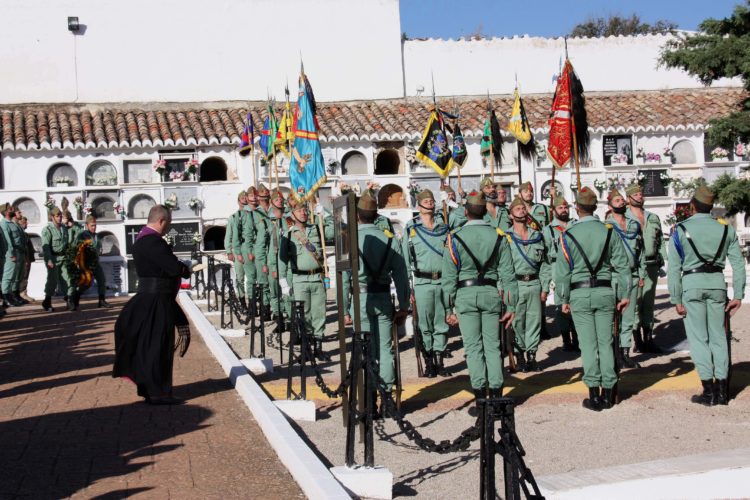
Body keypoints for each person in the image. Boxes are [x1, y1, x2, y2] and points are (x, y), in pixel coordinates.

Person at [667, 186, 745, 406]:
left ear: (692, 206)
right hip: (717, 284)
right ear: (711, 207)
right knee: (719, 337)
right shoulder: (725, 229)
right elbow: (738, 264)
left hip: (692, 285)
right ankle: (722, 392)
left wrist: (676, 298)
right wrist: (738, 293)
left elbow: (674, 268)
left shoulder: (680, 230)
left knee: (699, 339)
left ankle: (708, 391)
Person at [556, 187, 631, 411]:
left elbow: (562, 272)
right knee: (606, 343)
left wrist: (563, 298)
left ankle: (593, 394)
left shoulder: (568, 234)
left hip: (579, 293)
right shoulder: (609, 231)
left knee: (588, 345)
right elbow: (622, 265)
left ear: (576, 208)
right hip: (605, 291)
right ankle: (608, 393)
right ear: (595, 206)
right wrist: (625, 294)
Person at [442, 191, 517, 411]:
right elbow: (508, 275)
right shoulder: (499, 235)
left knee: (473, 348)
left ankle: (481, 399)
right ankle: (496, 397)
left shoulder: (454, 238)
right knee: (493, 347)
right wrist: (511, 305)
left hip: (465, 294)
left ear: (465, 212)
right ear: (485, 211)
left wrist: (448, 307)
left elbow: (448, 278)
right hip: (491, 293)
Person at [113, 205, 190, 405]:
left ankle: (149, 388)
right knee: (159, 345)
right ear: (162, 221)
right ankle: (158, 393)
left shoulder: (139, 242)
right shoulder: (155, 242)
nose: (168, 228)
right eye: (168, 223)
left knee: (148, 345)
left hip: (146, 297)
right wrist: (185, 267)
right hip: (158, 300)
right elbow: (173, 268)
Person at [356, 191, 410, 412]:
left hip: (360, 298)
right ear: (375, 214)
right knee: (385, 349)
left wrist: (345, 309)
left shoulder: (350, 238)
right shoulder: (389, 238)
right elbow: (401, 274)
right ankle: (387, 398)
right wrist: (404, 305)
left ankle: (369, 399)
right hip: (384, 296)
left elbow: (344, 276)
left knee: (365, 348)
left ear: (358, 215)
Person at [278, 198, 334, 360]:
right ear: (292, 215)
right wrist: (283, 282)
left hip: (317, 277)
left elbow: (333, 231)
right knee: (304, 316)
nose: (303, 213)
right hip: (299, 280)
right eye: (299, 211)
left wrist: (325, 213)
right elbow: (282, 260)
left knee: (319, 314)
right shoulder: (289, 235)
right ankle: (306, 348)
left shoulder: (317, 228)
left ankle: (318, 347)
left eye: (305, 210)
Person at [403, 189, 450, 377]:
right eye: (426, 201)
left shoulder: (443, 227)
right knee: (424, 323)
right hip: (422, 282)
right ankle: (429, 360)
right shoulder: (410, 228)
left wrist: (452, 202)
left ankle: (440, 360)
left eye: (432, 201)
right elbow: (406, 261)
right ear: (419, 205)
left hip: (442, 280)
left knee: (441, 322)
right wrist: (409, 289)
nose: (430, 203)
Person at [506, 196, 551, 372]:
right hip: (515, 284)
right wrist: (503, 289)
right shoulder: (506, 237)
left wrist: (545, 287)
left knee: (534, 321)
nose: (522, 211)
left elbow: (545, 264)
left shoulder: (537, 236)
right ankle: (519, 355)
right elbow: (502, 267)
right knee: (516, 322)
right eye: (517, 209)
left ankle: (531, 355)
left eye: (523, 209)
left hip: (534, 283)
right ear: (510, 215)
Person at [606, 189, 645, 369]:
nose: (621, 202)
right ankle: (612, 353)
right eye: (617, 200)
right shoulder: (605, 227)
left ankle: (625, 353)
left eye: (622, 200)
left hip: (632, 275)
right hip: (613, 276)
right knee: (612, 318)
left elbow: (641, 252)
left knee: (628, 317)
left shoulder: (634, 224)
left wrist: (642, 273)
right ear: (609, 205)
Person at [626, 184, 667, 353]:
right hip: (633, 267)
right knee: (635, 303)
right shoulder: (625, 218)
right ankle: (638, 340)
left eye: (641, 194)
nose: (640, 196)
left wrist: (662, 258)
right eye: (636, 194)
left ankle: (649, 339)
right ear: (629, 198)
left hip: (651, 265)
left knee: (648, 303)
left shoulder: (653, 217)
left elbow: (661, 240)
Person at [543, 196, 579, 351]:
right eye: (560, 208)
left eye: (566, 208)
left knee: (577, 303)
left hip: (576, 267)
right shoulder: (548, 230)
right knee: (561, 304)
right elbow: (545, 255)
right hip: (557, 268)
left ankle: (577, 338)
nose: (564, 210)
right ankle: (566, 339)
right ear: (554, 210)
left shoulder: (576, 226)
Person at [75, 215, 112, 308]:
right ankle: (76, 296)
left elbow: (99, 247)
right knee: (87, 283)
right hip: (86, 263)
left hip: (95, 263)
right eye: (92, 225)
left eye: (95, 225)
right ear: (87, 225)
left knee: (101, 280)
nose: (94, 227)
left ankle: (101, 300)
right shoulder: (82, 235)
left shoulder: (96, 236)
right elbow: (77, 249)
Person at [41, 207, 71, 312]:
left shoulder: (63, 228)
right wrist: (48, 260)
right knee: (52, 281)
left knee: (66, 279)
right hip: (52, 258)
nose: (59, 218)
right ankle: (47, 301)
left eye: (60, 216)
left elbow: (66, 244)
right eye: (57, 216)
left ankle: (68, 300)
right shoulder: (47, 230)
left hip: (63, 257)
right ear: (52, 217)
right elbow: (46, 247)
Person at [268, 188, 290, 326]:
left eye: (281, 199)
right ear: (272, 202)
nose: (280, 201)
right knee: (275, 291)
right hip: (273, 260)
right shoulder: (268, 221)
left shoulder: (289, 220)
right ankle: (278, 318)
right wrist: (269, 265)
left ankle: (288, 317)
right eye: (276, 199)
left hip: (287, 260)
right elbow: (264, 244)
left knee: (286, 291)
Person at [225, 191, 250, 309]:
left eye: (246, 198)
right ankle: (242, 301)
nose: (244, 200)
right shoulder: (233, 217)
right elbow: (228, 235)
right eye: (242, 198)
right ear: (238, 201)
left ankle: (253, 300)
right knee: (240, 277)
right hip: (237, 249)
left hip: (250, 249)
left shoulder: (252, 215)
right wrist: (229, 251)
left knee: (251, 277)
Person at [253, 183, 273, 317]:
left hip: (273, 247)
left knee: (275, 280)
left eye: (265, 196)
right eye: (261, 196)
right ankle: (265, 308)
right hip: (260, 248)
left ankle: (276, 309)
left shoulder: (275, 210)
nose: (263, 198)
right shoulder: (254, 213)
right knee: (263, 280)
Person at [1, 204, 25, 307]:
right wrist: (11, 254)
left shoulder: (12, 223)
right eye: (10, 209)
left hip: (18, 252)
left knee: (14, 276)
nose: (13, 210)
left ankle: (11, 296)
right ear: (6, 212)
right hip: (11, 253)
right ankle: (6, 297)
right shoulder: (4, 224)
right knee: (8, 276)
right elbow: (8, 240)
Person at [242, 186, 259, 307]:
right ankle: (252, 306)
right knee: (251, 278)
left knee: (263, 278)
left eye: (255, 195)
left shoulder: (261, 212)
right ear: (247, 198)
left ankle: (265, 306)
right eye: (251, 196)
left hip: (261, 247)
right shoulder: (242, 213)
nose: (254, 198)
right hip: (248, 246)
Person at [18, 215, 36, 304]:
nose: (27, 224)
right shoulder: (20, 234)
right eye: (25, 222)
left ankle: (23, 292)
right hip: (24, 259)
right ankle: (21, 293)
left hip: (27, 258)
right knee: (23, 276)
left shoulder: (25, 234)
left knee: (26, 276)